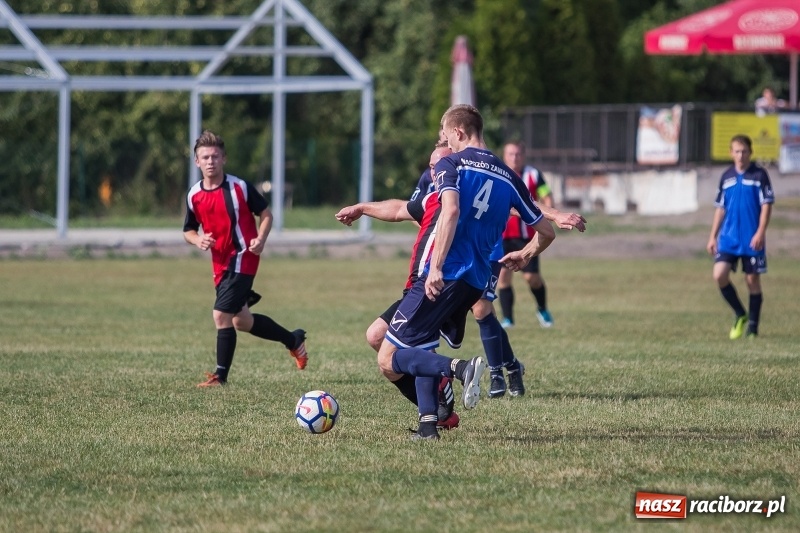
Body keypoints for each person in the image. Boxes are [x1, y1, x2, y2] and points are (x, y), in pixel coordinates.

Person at [377, 104, 557, 440]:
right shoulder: (508, 175)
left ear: (459, 133)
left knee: (388, 358)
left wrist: (437, 268)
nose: (445, 142)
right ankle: (429, 426)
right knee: (421, 345)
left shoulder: (452, 163)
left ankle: (459, 368)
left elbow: (452, 210)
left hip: (444, 275)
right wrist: (526, 253)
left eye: (446, 135)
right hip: (475, 282)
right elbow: (546, 232)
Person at [183, 130, 309, 387]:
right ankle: (293, 340)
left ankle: (220, 376)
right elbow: (188, 230)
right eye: (205, 157)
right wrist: (198, 240)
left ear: (224, 159)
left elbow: (266, 214)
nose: (210, 161)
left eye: (215, 156)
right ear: (197, 161)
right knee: (241, 321)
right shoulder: (194, 194)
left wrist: (260, 239)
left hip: (243, 256)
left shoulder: (239, 188)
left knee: (221, 315)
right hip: (220, 263)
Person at [706, 134, 774, 339]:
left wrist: (761, 231)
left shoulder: (759, 175)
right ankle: (739, 313)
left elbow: (766, 205)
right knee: (719, 275)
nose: (741, 155)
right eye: (737, 151)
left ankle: (753, 328)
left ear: (750, 152)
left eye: (744, 151)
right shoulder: (726, 177)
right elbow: (720, 209)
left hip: (752, 238)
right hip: (729, 238)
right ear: (731, 153)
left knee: (752, 280)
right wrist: (712, 236)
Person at [497, 141, 556, 329]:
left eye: (518, 154)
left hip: (528, 236)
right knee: (503, 277)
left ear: (523, 155)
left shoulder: (533, 174)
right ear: (504, 156)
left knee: (532, 278)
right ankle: (508, 319)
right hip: (503, 236)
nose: (515, 157)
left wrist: (551, 210)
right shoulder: (498, 172)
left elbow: (545, 193)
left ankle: (542, 308)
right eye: (511, 154)